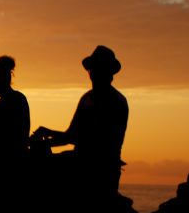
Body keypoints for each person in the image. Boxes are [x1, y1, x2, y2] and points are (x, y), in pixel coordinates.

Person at [33, 45, 128, 193]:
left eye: (99, 68)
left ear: (108, 73)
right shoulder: (86, 98)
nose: (94, 72)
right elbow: (70, 135)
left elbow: (90, 139)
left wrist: (51, 135)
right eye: (93, 68)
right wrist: (43, 142)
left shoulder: (115, 101)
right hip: (80, 160)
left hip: (103, 167)